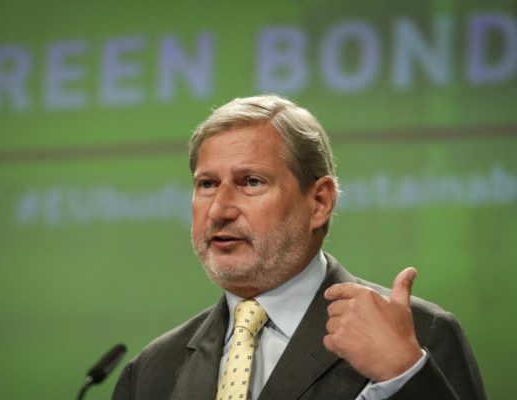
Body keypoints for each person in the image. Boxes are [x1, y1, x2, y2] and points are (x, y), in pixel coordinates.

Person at [112, 94, 485, 399]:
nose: (220, 210)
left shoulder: (423, 335)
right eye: (207, 184)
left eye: (251, 182)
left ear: (319, 202)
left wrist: (405, 376)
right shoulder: (151, 372)